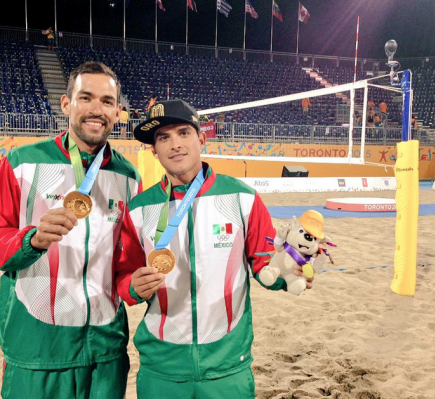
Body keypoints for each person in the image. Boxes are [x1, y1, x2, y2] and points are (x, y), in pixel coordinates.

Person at [114, 99, 314, 399]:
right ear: (153, 150)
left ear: (201, 138)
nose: (175, 144)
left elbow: (265, 264)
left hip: (227, 366)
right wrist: (132, 287)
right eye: (163, 137)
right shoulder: (139, 209)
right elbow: (123, 275)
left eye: (183, 133)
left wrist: (288, 271)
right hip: (162, 368)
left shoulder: (242, 198)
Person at [0, 61, 141, 399]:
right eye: (86, 98)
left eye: (107, 102)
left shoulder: (129, 176)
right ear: (66, 104)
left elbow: (126, 258)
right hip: (38, 348)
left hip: (105, 350)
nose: (96, 109)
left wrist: (135, 284)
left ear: (118, 111)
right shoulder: (22, 162)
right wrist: (29, 240)